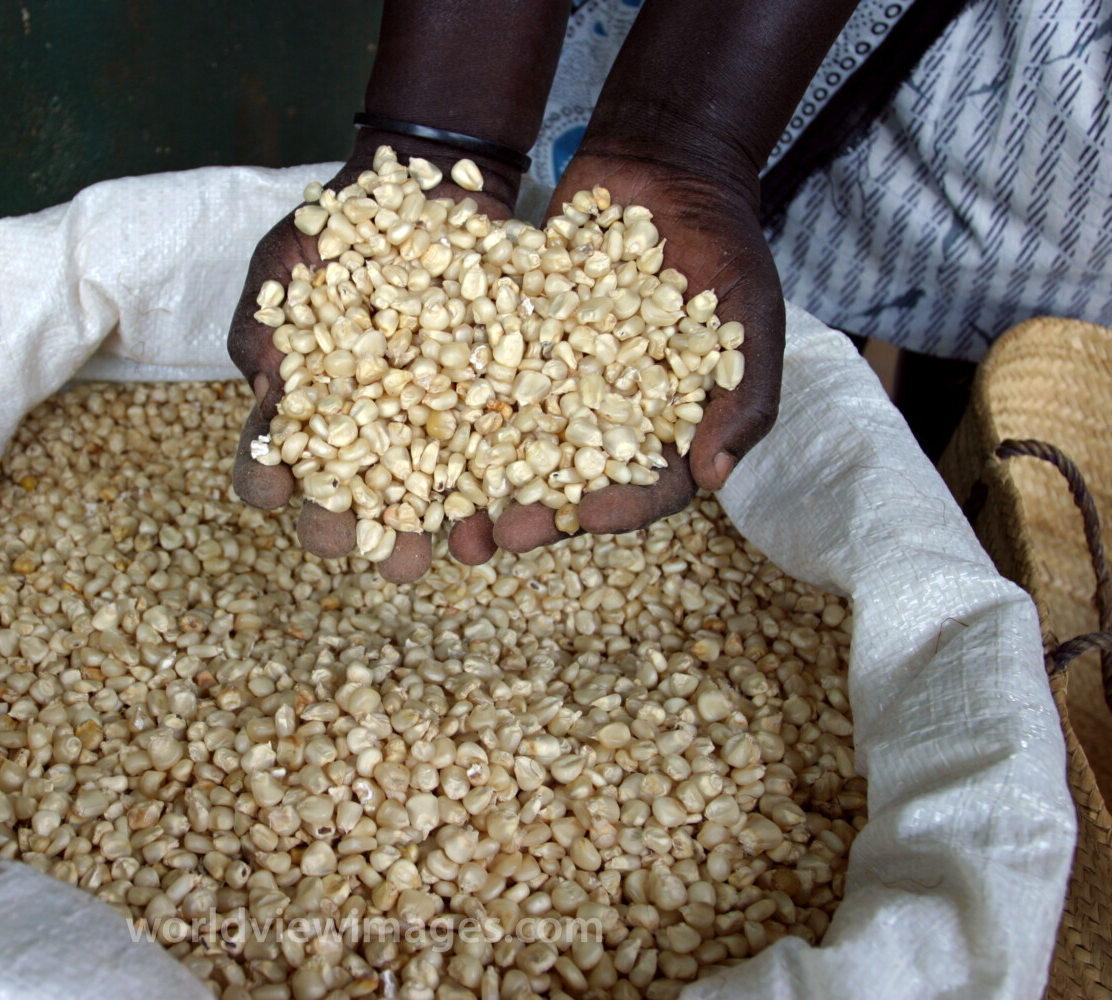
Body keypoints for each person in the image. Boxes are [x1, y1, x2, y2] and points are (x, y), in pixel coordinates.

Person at [227, 0, 1112, 583]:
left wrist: (688, 138)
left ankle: (946, 423)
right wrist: (440, 125)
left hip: (1013, 90)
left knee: (947, 329)